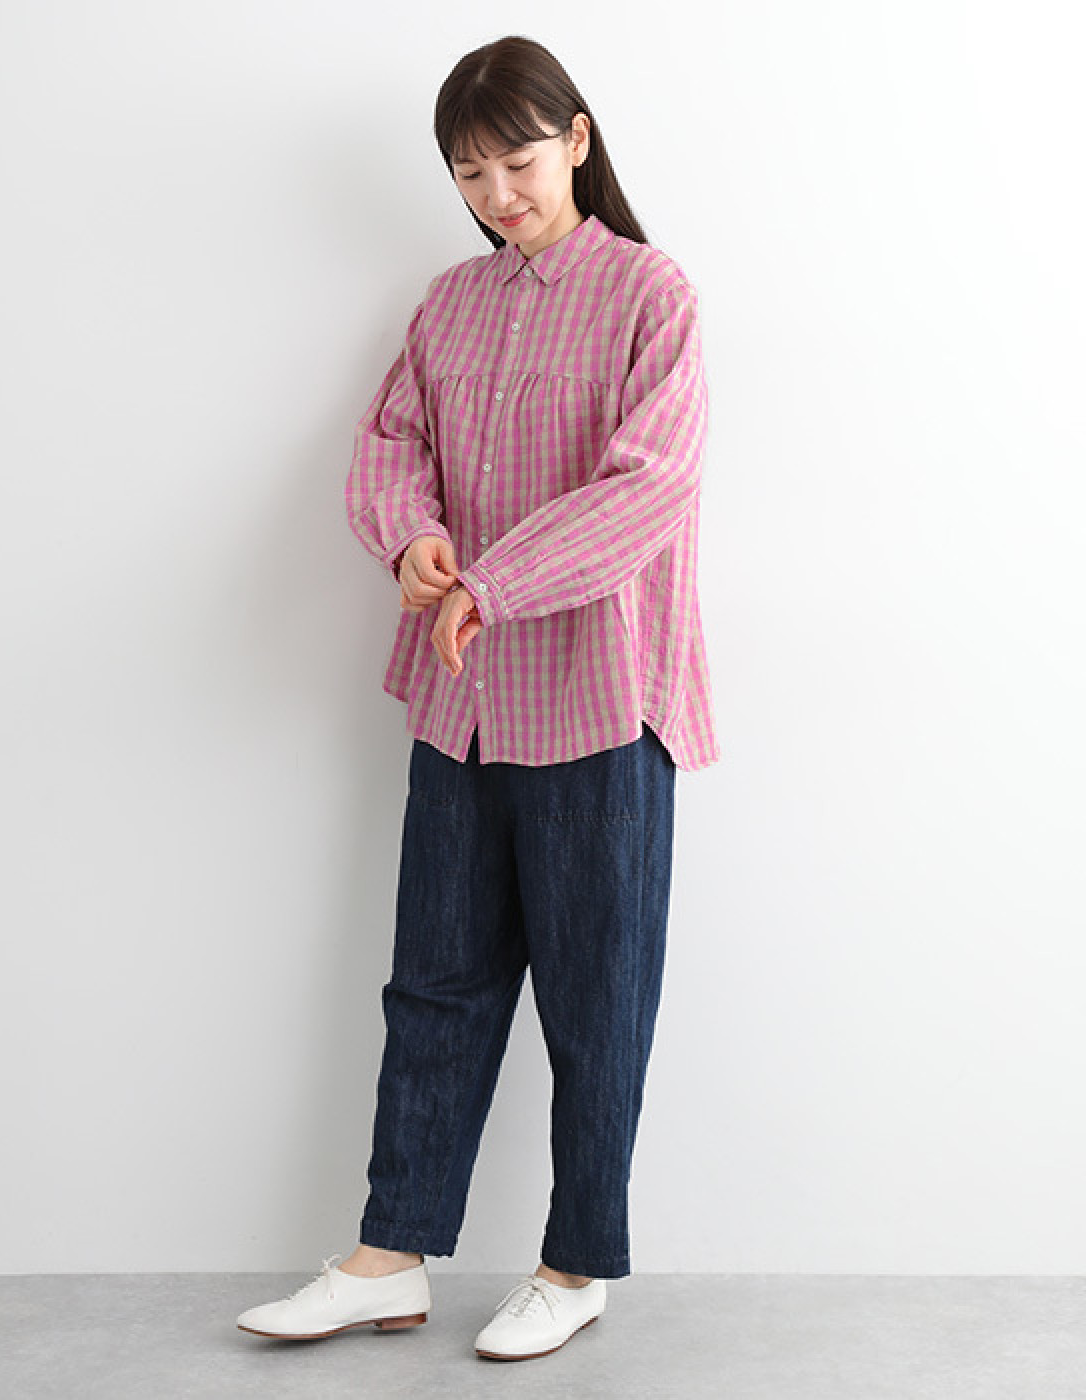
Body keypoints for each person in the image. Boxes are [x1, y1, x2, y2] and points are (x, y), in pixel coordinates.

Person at [237, 33, 719, 1362]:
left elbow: (651, 487)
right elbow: (390, 444)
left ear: (576, 139)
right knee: (435, 983)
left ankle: (577, 1264)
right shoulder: (448, 304)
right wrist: (411, 541)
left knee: (595, 999)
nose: (497, 192)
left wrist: (494, 583)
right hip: (460, 706)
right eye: (468, 172)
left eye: (517, 160)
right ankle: (388, 1259)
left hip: (600, 702)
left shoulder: (651, 294)